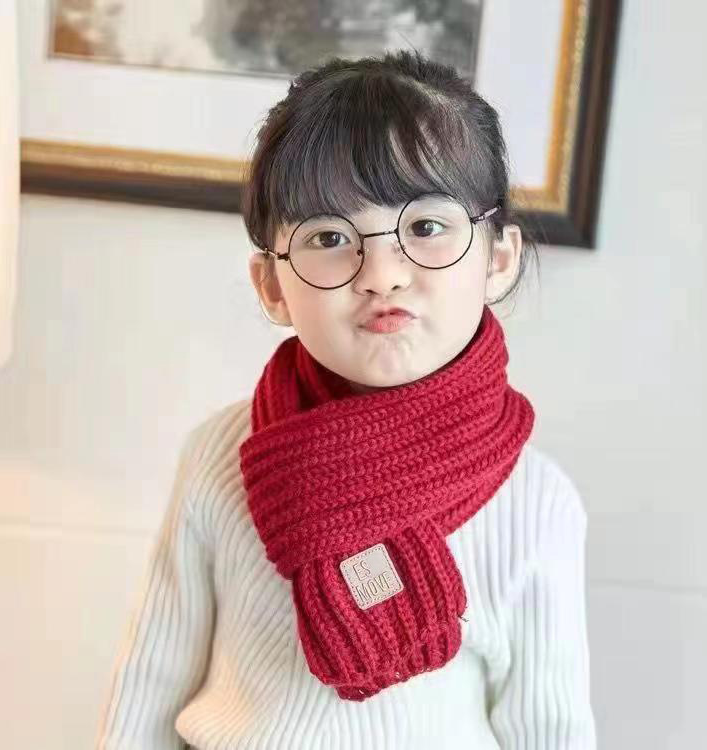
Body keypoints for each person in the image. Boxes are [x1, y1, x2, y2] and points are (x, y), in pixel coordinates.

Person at [94, 49, 597, 749]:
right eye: (330, 237)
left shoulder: (535, 499)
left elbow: (550, 729)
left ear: (499, 258)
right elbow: (150, 681)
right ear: (272, 286)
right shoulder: (220, 454)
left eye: (425, 228)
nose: (381, 274)